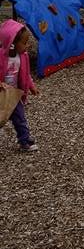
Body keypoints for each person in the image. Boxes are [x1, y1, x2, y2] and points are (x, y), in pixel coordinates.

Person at [0, 20, 38, 153]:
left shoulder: (23, 57)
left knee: (20, 118)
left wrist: (31, 86)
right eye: (24, 42)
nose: (27, 46)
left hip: (15, 95)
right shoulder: (1, 57)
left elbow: (26, 74)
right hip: (2, 95)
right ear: (12, 43)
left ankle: (24, 140)